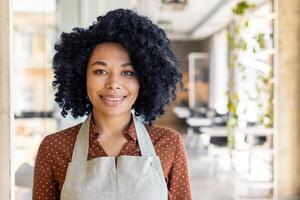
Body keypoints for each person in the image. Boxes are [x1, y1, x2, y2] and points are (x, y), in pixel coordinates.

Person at [32, 8, 192, 200]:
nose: (113, 84)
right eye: (100, 71)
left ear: (145, 79)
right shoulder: (54, 147)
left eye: (128, 72)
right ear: (82, 76)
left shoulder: (169, 144)